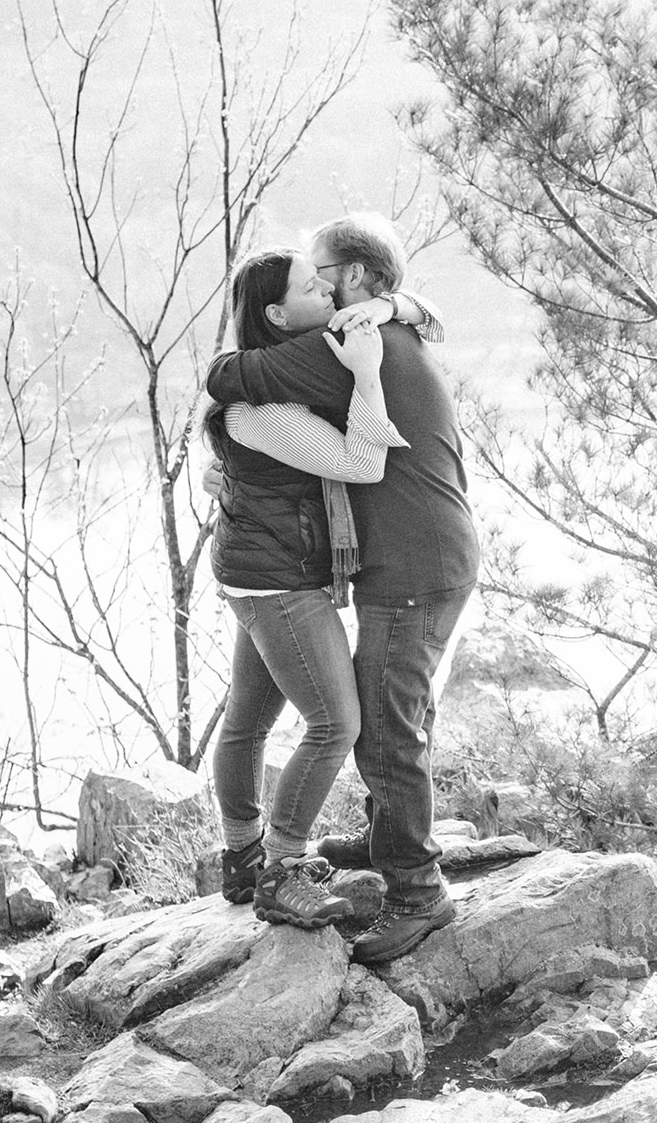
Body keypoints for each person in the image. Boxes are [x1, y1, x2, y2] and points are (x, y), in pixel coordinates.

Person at [205, 212, 479, 965]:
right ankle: (386, 841)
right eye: (306, 280)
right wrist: (402, 305)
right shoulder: (385, 331)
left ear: (355, 279)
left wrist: (223, 381)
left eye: (320, 270)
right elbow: (245, 388)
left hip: (414, 565)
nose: (317, 282)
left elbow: (237, 375)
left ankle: (417, 891)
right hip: (424, 554)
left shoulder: (344, 348)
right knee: (380, 714)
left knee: (383, 728)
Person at [205, 246, 412, 928]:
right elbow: (362, 461)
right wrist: (367, 373)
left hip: (256, 571)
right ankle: (281, 871)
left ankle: (240, 857)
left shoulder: (267, 381)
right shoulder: (263, 409)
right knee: (335, 722)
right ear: (275, 312)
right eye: (308, 286)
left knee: (248, 720)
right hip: (280, 583)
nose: (324, 289)